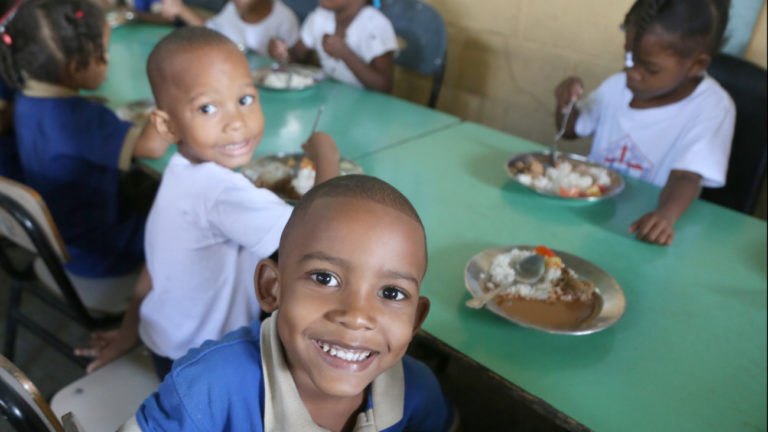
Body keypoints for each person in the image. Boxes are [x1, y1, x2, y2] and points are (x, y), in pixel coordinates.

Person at [77, 26, 340, 379]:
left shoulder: (179, 172)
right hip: (205, 366)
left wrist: (127, 335)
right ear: (167, 127)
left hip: (166, 346)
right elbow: (317, 232)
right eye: (207, 108)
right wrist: (326, 156)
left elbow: (153, 272)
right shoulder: (219, 192)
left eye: (245, 99)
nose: (236, 123)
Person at [124, 174, 457, 431]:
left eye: (391, 293)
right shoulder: (207, 387)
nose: (357, 316)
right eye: (325, 278)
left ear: (415, 320)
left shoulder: (417, 390)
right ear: (273, 288)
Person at [0, 0, 169, 285]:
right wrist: (171, 95)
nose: (108, 58)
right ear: (73, 66)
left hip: (63, 243)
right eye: (102, 52)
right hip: (106, 251)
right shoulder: (81, 118)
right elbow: (152, 147)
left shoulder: (23, 100)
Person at [554, 0, 734, 246]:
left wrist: (665, 216)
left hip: (647, 231)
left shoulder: (712, 106)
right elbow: (570, 131)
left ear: (696, 65)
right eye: (629, 58)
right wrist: (566, 105)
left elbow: (686, 177)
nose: (632, 72)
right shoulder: (617, 86)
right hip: (592, 221)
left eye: (649, 68)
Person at [268, 0, 396, 92]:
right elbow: (297, 55)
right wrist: (282, 53)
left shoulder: (376, 24)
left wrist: (345, 54)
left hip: (367, 107)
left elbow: (383, 86)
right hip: (330, 98)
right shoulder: (320, 16)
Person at [161, 0, 300, 55]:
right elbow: (209, 31)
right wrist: (180, 9)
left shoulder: (284, 18)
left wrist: (281, 55)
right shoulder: (232, 9)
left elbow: (298, 62)